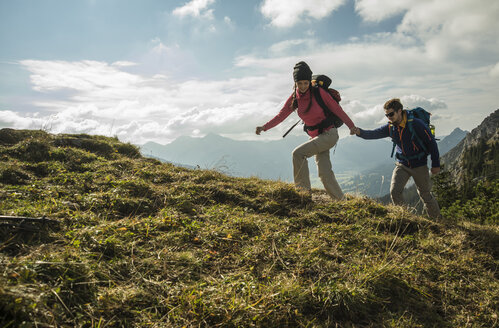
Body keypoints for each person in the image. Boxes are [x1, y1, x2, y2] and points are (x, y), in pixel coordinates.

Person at [256, 61, 357, 200]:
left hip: (329, 134)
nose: (303, 86)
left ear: (309, 81)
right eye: (300, 83)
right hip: (316, 137)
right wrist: (264, 127)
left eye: (306, 83)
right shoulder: (294, 98)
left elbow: (337, 110)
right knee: (324, 173)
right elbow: (280, 116)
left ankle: (302, 196)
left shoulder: (319, 93)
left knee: (298, 154)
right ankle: (341, 201)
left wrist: (351, 126)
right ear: (295, 83)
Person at [351, 98, 441, 218]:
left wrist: (435, 164)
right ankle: (406, 218)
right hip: (402, 164)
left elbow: (431, 143)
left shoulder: (416, 124)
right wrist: (359, 132)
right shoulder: (391, 127)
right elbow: (373, 134)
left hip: (419, 164)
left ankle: (438, 221)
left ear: (400, 111)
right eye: (387, 115)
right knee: (395, 192)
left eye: (391, 114)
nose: (389, 117)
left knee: (425, 194)